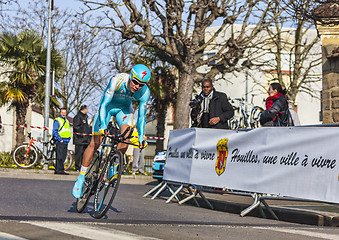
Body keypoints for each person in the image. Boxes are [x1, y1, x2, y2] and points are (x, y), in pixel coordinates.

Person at [72, 64, 151, 198]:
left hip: (124, 110)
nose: (137, 86)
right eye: (136, 82)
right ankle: (81, 177)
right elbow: (103, 105)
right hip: (107, 108)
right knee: (95, 143)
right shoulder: (117, 80)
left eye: (141, 84)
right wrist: (103, 125)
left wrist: (142, 136)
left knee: (126, 138)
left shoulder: (144, 93)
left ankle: (113, 164)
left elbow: (141, 117)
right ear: (130, 77)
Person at [52, 108, 71, 175]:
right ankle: (58, 170)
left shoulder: (66, 120)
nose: (63, 114)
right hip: (61, 141)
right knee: (59, 156)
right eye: (62, 112)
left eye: (65, 112)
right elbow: (55, 131)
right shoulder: (57, 120)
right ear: (60, 113)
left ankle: (61, 169)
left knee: (63, 156)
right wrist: (60, 139)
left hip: (65, 141)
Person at [73, 105, 92, 171]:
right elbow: (76, 127)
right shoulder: (78, 117)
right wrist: (82, 134)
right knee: (78, 154)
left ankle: (82, 167)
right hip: (79, 140)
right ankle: (77, 167)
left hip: (85, 140)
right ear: (85, 109)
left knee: (84, 155)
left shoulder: (85, 117)